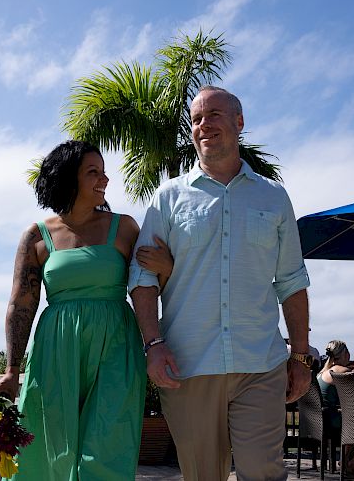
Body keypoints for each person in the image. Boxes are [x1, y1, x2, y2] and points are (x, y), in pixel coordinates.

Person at [129, 85, 312, 481]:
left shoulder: (274, 196)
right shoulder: (168, 197)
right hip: (188, 364)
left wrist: (299, 357)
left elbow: (292, 280)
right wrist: (153, 345)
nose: (203, 125)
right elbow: (142, 277)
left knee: (263, 471)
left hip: (260, 363)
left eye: (213, 114)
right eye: (196, 119)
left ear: (239, 122)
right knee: (202, 475)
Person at [0, 140, 172, 480]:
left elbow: (151, 287)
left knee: (109, 442)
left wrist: (168, 266)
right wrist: (12, 369)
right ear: (67, 178)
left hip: (116, 345)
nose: (104, 179)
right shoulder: (37, 236)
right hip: (56, 346)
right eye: (93, 172)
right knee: (45, 443)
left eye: (104, 172)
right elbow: (21, 303)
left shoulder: (125, 228)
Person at [318, 340, 354, 480]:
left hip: (321, 421)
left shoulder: (322, 371)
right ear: (345, 353)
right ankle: (351, 462)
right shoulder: (339, 371)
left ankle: (346, 462)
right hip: (332, 422)